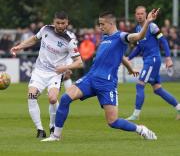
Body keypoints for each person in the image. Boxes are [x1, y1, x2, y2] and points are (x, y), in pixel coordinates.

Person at [41, 9, 160, 142]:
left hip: (107, 84)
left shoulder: (121, 36)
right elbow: (120, 57)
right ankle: (56, 136)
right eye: (99, 24)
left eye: (102, 24)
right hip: (90, 79)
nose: (100, 27)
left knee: (112, 121)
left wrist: (148, 21)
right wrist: (130, 68)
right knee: (64, 99)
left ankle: (141, 129)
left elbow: (138, 36)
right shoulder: (105, 38)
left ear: (110, 23)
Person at [10, 11, 83, 138]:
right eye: (58, 23)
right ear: (53, 22)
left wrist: (65, 67)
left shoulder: (69, 41)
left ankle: (52, 125)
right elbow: (33, 39)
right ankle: (39, 129)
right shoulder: (45, 30)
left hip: (54, 74)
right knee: (31, 96)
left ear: (67, 23)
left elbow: (79, 62)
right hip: (39, 71)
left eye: (63, 23)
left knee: (53, 99)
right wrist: (19, 46)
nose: (60, 25)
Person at [126, 6, 180, 121]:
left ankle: (135, 115)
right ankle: (179, 108)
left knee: (140, 84)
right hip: (149, 60)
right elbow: (139, 48)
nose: (140, 15)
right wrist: (128, 58)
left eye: (142, 13)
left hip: (153, 59)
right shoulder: (138, 29)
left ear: (146, 14)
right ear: (135, 15)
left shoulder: (152, 26)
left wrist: (168, 57)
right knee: (158, 89)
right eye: (137, 14)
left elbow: (163, 41)